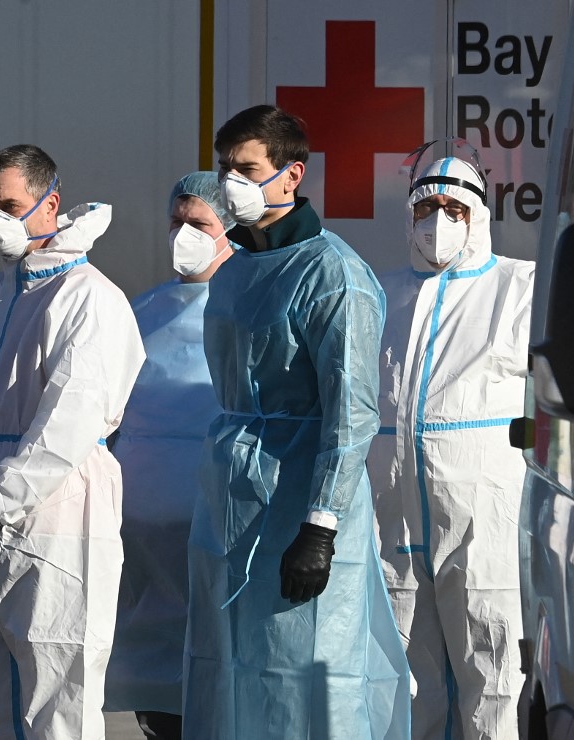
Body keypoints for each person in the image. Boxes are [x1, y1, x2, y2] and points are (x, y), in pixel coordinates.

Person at [182, 104, 410, 739]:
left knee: (303, 671)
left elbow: (351, 413)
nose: (231, 182)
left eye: (246, 168)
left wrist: (321, 525)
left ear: (290, 175)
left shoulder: (333, 275)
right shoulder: (234, 272)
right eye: (224, 168)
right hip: (230, 500)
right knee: (225, 666)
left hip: (298, 501)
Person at [0, 144, 145, 739]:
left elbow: (68, 423)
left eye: (10, 205)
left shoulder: (88, 297)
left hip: (58, 520)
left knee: (58, 696)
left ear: (51, 205)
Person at [366, 154, 535, 739]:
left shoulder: (518, 287)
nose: (439, 221)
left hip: (482, 516)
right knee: (403, 670)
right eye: (427, 208)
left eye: (455, 209)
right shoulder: (382, 293)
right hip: (393, 515)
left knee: (492, 665)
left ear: (479, 217)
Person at [103, 171, 235, 740]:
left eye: (199, 224)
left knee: (220, 672)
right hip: (145, 537)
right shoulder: (140, 312)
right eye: (177, 223)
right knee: (158, 686)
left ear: (229, 229)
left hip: (221, 524)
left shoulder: (250, 308)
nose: (185, 235)